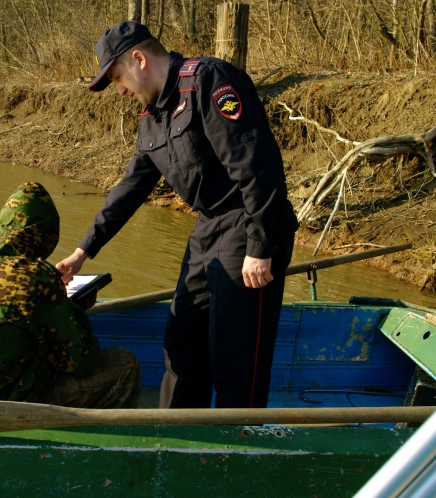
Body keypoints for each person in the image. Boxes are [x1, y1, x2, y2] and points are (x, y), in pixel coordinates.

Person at [56, 22, 298, 409]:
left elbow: (257, 166)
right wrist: (82, 252)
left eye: (117, 77)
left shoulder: (208, 82)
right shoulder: (152, 119)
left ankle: (237, 446)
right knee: (183, 339)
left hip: (250, 221)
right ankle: (176, 433)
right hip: (208, 228)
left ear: (138, 59)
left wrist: (261, 245)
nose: (120, 89)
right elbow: (128, 190)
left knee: (237, 353)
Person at [0, 181, 140, 408]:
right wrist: (73, 314)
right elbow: (83, 360)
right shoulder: (36, 275)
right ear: (46, 233)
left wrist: (67, 307)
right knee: (125, 364)